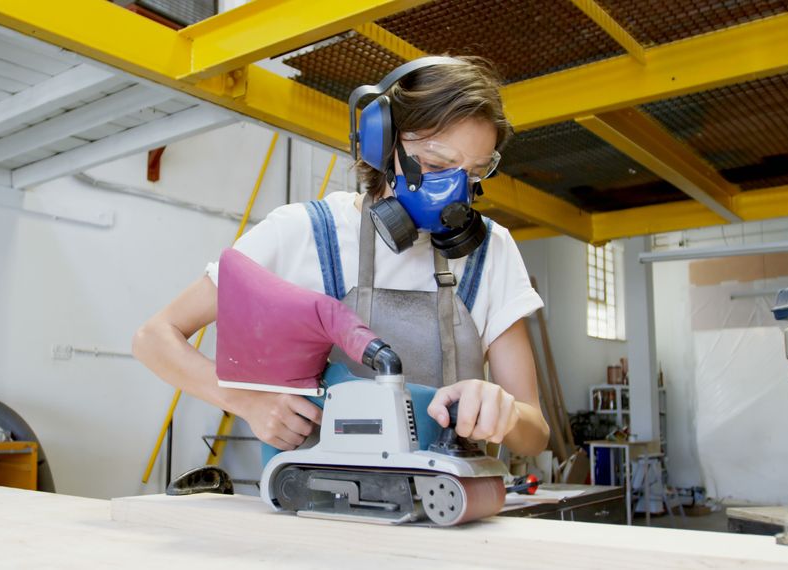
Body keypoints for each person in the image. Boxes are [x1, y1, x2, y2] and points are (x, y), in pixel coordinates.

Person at [133, 55, 549, 459]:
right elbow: (155, 337)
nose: (454, 191)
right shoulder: (302, 233)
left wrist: (506, 413)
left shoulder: (490, 250)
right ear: (382, 144)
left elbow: (534, 437)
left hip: (446, 511)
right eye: (436, 164)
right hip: (318, 509)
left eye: (473, 174)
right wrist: (248, 401)